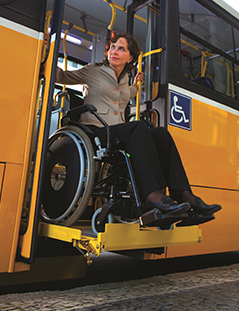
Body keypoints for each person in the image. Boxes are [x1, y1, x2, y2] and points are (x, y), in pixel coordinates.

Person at [56, 33, 222, 217]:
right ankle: (152, 195)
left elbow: (127, 94)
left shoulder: (125, 79)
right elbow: (62, 76)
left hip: (116, 131)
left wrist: (136, 85)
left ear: (130, 58)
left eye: (121, 49)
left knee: (160, 133)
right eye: (113, 47)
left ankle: (183, 194)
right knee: (138, 127)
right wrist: (45, 49)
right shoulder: (93, 70)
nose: (114, 51)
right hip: (94, 131)